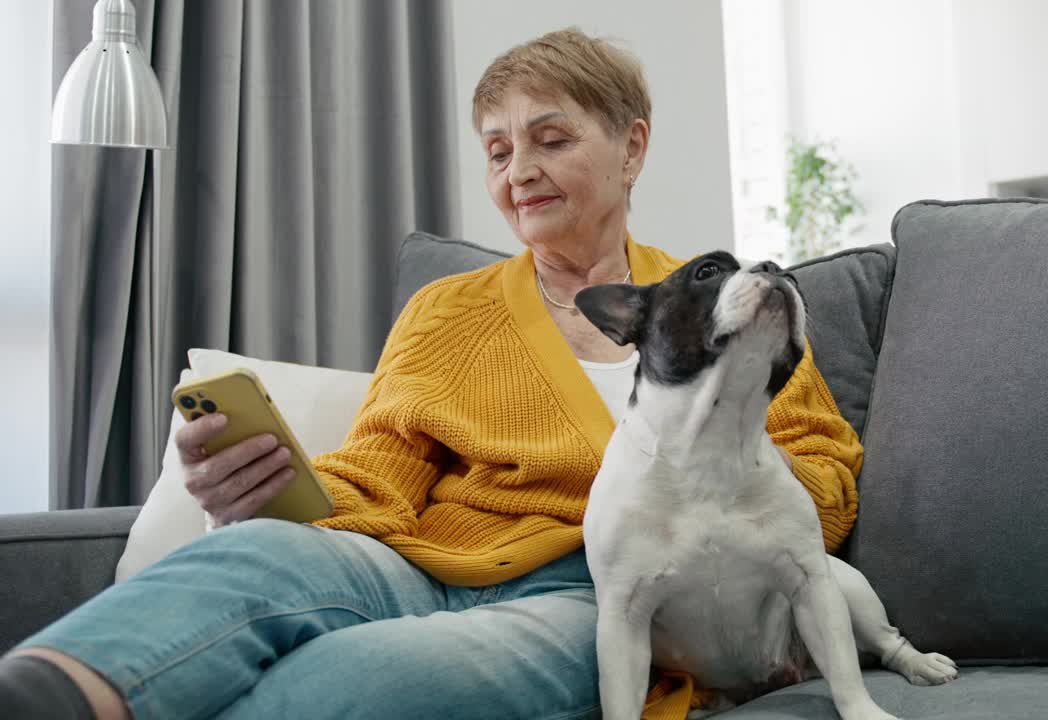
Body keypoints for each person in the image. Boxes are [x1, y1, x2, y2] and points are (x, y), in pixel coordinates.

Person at [0, 27, 891, 719]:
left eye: (549, 139)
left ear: (631, 148)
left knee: (364, 678)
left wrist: (716, 510)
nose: (521, 172)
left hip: (591, 592)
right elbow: (379, 473)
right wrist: (262, 491)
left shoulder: (726, 306)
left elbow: (822, 468)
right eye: (499, 152)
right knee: (246, 558)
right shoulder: (446, 313)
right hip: (417, 563)